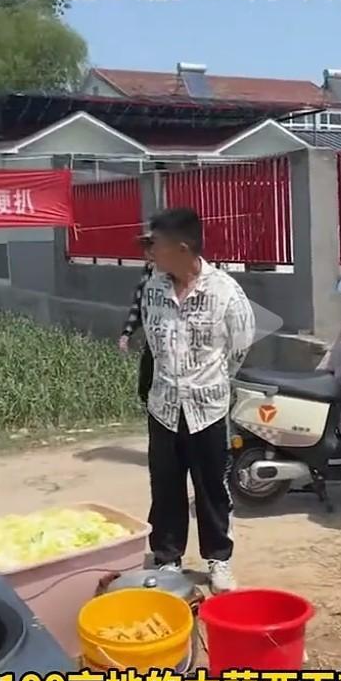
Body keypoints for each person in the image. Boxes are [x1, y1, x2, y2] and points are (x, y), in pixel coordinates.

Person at [141, 207, 255, 593]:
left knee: (211, 489)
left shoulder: (225, 292)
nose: (150, 251)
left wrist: (209, 382)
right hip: (163, 407)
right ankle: (168, 558)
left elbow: (240, 346)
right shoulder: (153, 288)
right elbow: (152, 343)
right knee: (165, 487)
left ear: (182, 248)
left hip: (207, 410)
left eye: (156, 244)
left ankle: (218, 560)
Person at [119, 232, 154, 406]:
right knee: (145, 388)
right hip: (154, 340)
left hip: (175, 342)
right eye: (145, 247)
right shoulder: (148, 271)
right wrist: (127, 333)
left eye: (151, 246)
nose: (147, 252)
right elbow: (139, 305)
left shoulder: (174, 274)